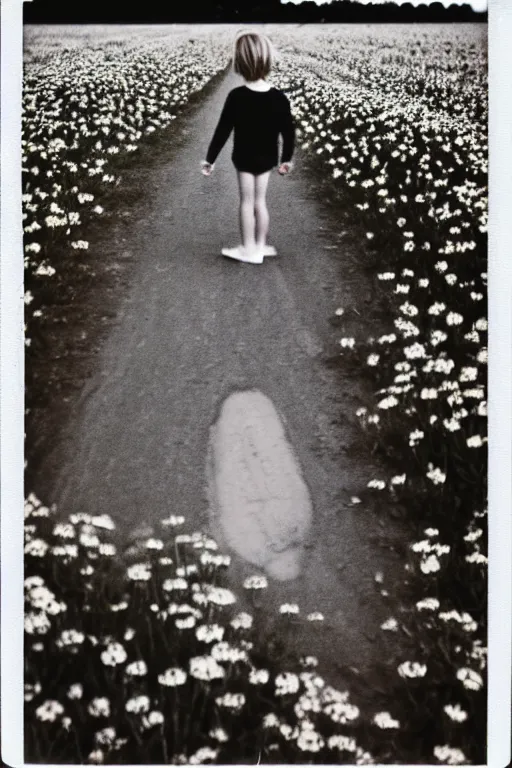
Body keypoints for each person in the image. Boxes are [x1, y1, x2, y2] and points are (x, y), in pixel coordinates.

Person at [201, 30, 295, 265]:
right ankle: (261, 246)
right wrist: (286, 159)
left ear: (240, 64)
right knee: (260, 202)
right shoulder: (279, 98)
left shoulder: (236, 96)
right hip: (267, 159)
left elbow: (222, 131)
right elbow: (288, 132)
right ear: (267, 61)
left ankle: (248, 249)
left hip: (244, 158)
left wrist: (210, 159)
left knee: (246, 202)